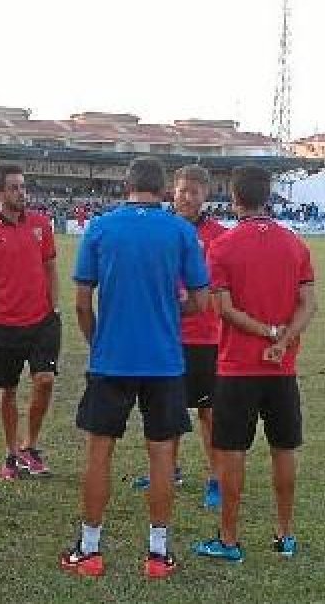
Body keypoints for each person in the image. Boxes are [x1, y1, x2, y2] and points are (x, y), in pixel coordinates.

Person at [61, 156, 210, 580]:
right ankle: (158, 555)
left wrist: (98, 340)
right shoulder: (181, 231)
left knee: (99, 455)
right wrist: (166, 310)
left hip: (111, 359)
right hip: (164, 361)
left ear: (126, 186)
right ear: (164, 189)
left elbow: (81, 303)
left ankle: (89, 551)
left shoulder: (101, 228)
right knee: (162, 457)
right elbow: (201, 302)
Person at [194, 165, 318, 565]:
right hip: (282, 370)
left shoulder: (223, 247)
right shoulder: (295, 244)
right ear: (269, 196)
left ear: (233, 198)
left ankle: (229, 541)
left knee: (232, 454)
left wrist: (267, 333)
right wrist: (282, 341)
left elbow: (224, 310)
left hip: (237, 369)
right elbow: (309, 304)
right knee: (284, 451)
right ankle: (285, 536)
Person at [129, 165, 227, 510]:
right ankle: (168, 469)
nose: (187, 197)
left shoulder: (219, 236)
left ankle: (216, 477)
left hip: (205, 337)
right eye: (182, 190)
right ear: (172, 190)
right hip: (164, 335)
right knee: (162, 409)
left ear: (206, 195)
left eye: (195, 192)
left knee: (208, 412)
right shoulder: (160, 228)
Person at [0, 164, 61, 480]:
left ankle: (30, 446)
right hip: (3, 324)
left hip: (41, 321)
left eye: (23, 187)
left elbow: (50, 268)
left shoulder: (41, 224)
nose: (21, 193)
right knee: (7, 390)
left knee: (45, 380)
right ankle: (11, 452)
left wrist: (54, 309)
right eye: (14, 188)